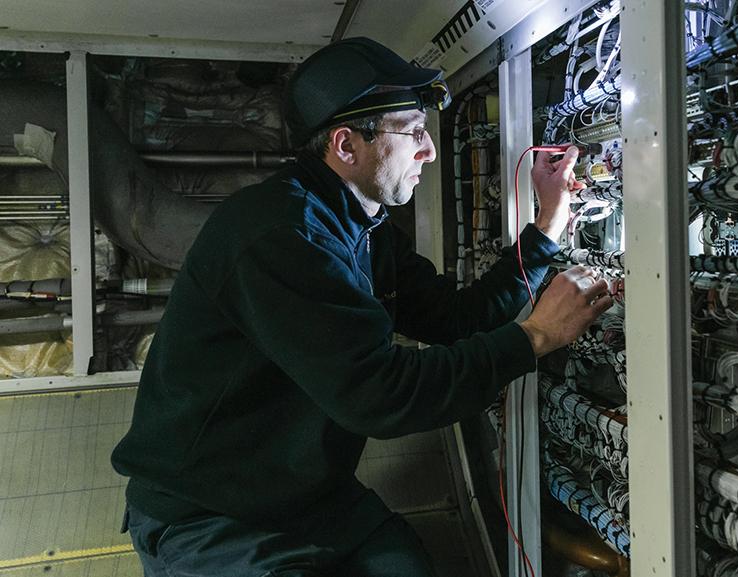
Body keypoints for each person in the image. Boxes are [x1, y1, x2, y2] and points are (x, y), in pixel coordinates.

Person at [111, 37, 612, 576]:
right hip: (212, 517)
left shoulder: (363, 226)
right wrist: (536, 337)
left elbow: (455, 319)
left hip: (310, 500)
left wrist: (547, 226)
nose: (430, 151)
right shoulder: (282, 236)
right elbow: (381, 395)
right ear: (346, 146)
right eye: (413, 132)